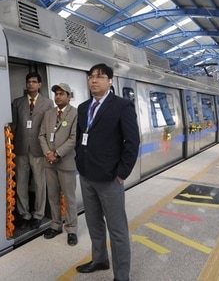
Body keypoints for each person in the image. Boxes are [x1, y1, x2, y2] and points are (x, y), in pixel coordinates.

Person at [74, 63, 140, 281]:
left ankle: (122, 276)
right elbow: (79, 138)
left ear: (110, 81)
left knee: (117, 229)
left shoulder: (122, 106)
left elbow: (132, 142)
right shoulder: (83, 108)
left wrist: (122, 172)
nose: (94, 80)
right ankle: (100, 259)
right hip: (86, 175)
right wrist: (79, 161)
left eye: (100, 77)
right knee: (93, 222)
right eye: (91, 76)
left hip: (110, 177)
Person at [11, 72, 54, 229]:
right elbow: (14, 126)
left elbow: (50, 128)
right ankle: (24, 214)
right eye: (28, 81)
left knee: (39, 183)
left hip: (38, 149)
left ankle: (38, 214)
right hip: (21, 149)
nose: (31, 84)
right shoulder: (17, 103)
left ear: (39, 85)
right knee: (21, 183)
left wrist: (49, 149)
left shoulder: (48, 103)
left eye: (34, 82)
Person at [38, 83, 78, 246]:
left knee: (69, 198)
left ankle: (72, 229)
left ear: (69, 96)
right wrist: (48, 153)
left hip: (66, 162)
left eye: (62, 94)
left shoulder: (75, 113)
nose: (58, 96)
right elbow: (41, 135)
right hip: (49, 162)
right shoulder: (49, 114)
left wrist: (57, 153)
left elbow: (74, 138)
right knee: (53, 196)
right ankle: (55, 225)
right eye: (56, 94)